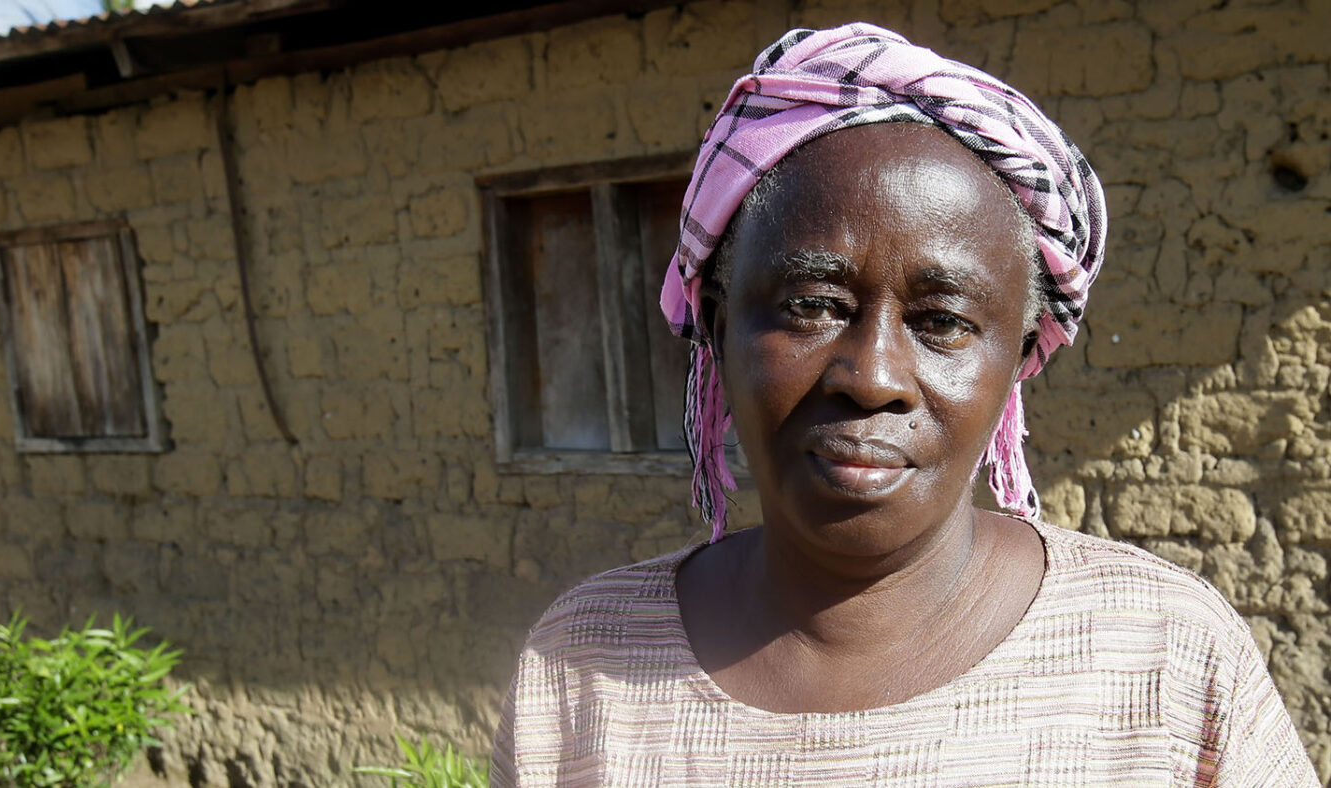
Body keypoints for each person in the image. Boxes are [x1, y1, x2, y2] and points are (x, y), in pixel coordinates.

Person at [491, 23, 1318, 786]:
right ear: (714, 324)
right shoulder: (581, 671)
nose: (873, 374)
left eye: (942, 322)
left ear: (1021, 357)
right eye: (813, 304)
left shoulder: (1166, 663)